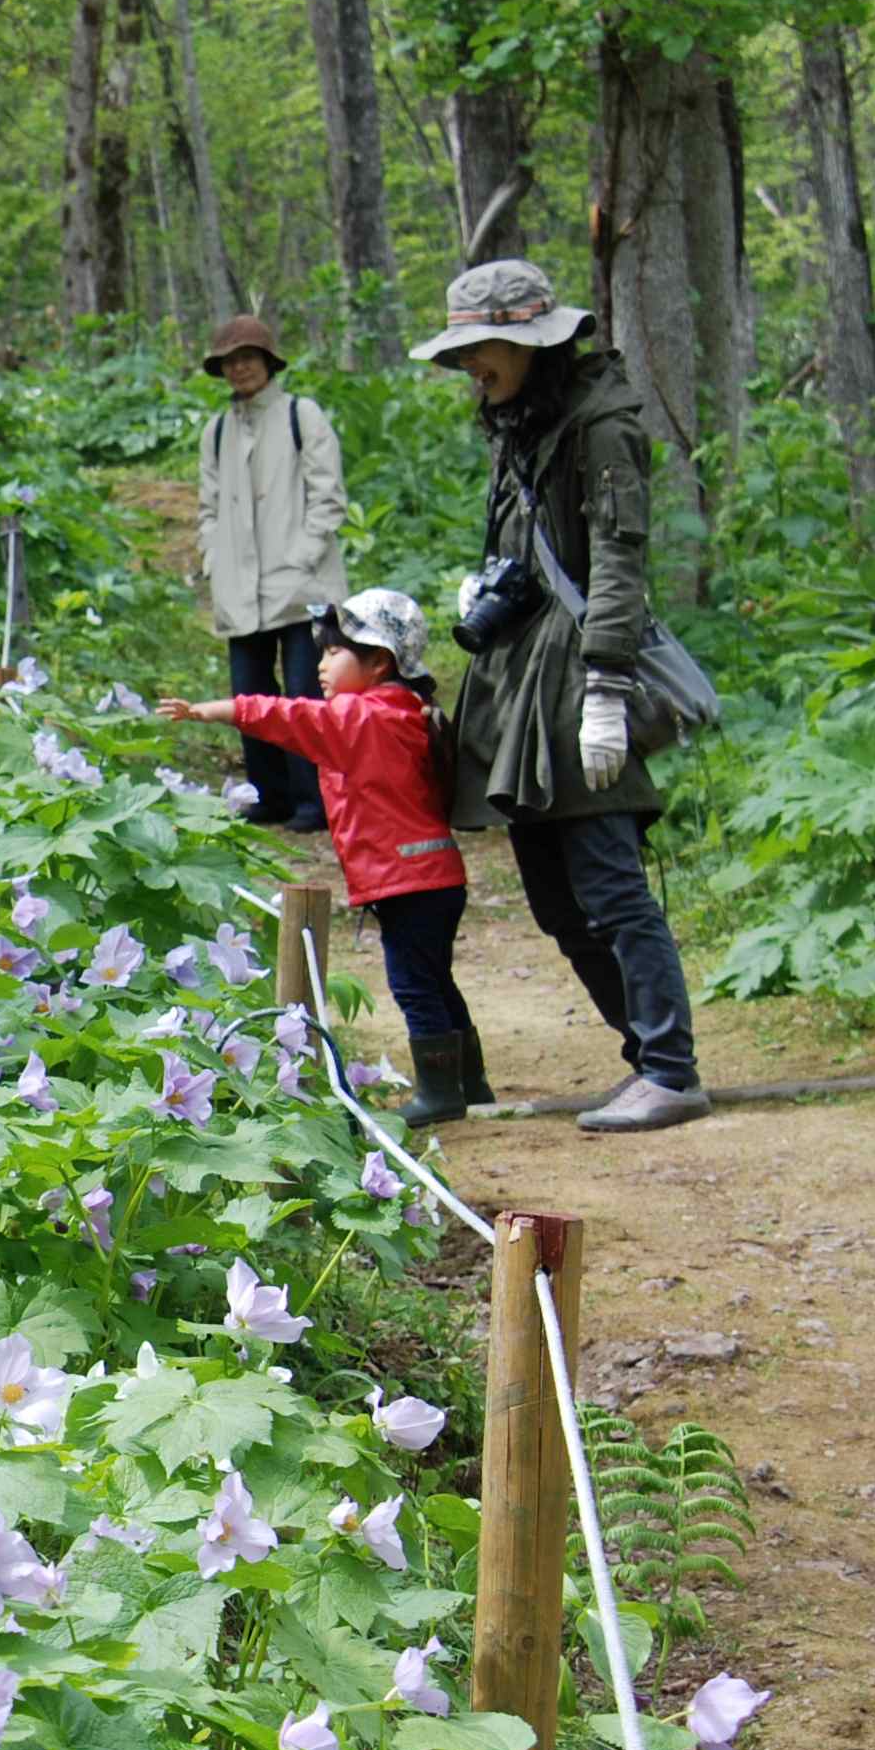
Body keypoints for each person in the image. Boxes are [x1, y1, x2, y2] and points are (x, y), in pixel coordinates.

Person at [410, 258, 710, 1134]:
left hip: (581, 677)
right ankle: (642, 1059)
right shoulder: (520, 424)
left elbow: (619, 562)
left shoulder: (601, 426)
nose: (472, 368)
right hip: (522, 682)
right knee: (553, 899)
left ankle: (670, 1067)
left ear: (528, 343)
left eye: (483, 351)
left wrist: (609, 685)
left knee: (612, 889)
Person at [157, 589, 484, 1126]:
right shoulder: (399, 712)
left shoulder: (360, 718)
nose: (322, 664)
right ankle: (470, 1082)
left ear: (379, 662)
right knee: (436, 978)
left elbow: (289, 718)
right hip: (434, 873)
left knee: (414, 983)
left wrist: (216, 711)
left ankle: (441, 1093)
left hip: (406, 878)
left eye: (335, 653)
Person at [192, 315, 349, 833]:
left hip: (303, 582)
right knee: (250, 693)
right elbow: (208, 505)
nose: (240, 368)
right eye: (230, 361)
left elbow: (328, 497)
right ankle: (269, 794)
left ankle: (315, 799)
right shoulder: (216, 433)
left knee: (305, 694)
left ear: (267, 361)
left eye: (248, 358)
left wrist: (301, 554)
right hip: (239, 587)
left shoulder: (303, 416)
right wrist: (214, 557)